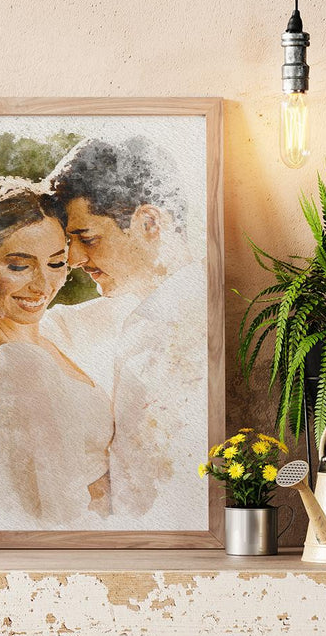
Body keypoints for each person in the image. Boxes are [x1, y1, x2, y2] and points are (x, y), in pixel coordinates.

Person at [47, 138, 207, 522]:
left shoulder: (201, 323)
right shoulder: (122, 313)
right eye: (70, 243)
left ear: (149, 223)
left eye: (87, 238)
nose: (74, 259)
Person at [0, 177, 113, 526]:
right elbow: (55, 516)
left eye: (55, 262)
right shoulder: (16, 365)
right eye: (19, 266)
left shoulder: (46, 335)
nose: (43, 285)